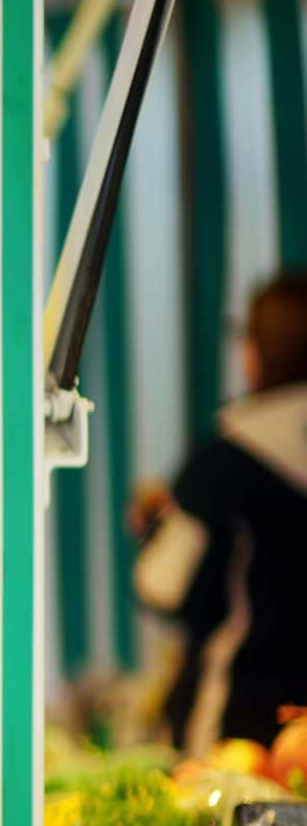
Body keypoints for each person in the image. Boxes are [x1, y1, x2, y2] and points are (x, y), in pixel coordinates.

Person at [134, 271, 307, 752]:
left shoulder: (224, 462)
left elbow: (161, 585)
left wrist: (157, 527)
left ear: (252, 353)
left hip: (236, 730)